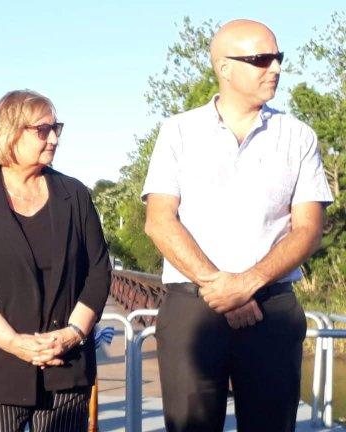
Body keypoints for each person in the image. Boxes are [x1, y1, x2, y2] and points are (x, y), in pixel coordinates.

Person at [142, 19, 333, 432]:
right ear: (224, 68)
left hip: (272, 308)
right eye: (261, 59)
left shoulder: (298, 136)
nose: (276, 69)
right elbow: (159, 221)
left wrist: (249, 283)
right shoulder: (178, 132)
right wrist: (222, 288)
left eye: (278, 58)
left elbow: (308, 229)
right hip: (193, 305)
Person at [0, 90, 111, 432]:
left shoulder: (74, 195)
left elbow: (98, 271)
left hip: (66, 367)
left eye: (56, 128)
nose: (54, 139)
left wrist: (73, 334)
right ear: (11, 132)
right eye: (43, 130)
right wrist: (14, 343)